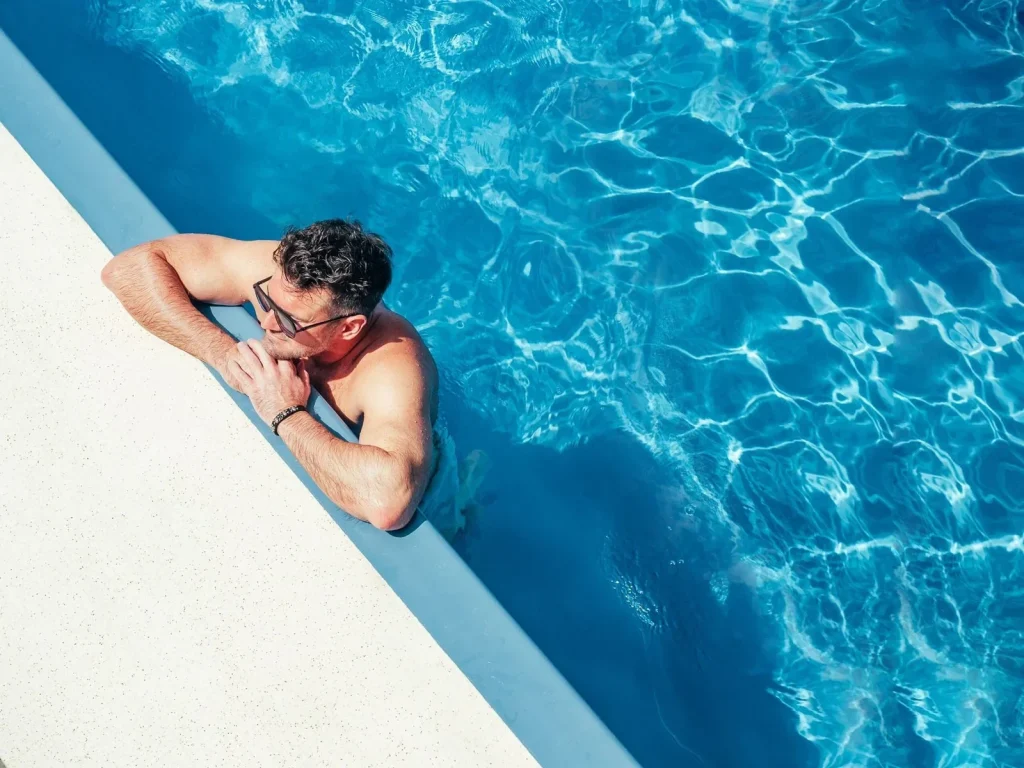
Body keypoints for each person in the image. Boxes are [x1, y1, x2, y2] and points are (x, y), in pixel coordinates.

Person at [101, 218, 439, 532]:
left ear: (349, 328)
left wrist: (286, 413)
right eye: (265, 299)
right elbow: (127, 270)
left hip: (427, 476)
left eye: (290, 322)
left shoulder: (391, 367)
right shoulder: (284, 279)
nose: (265, 323)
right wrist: (223, 353)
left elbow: (388, 504)